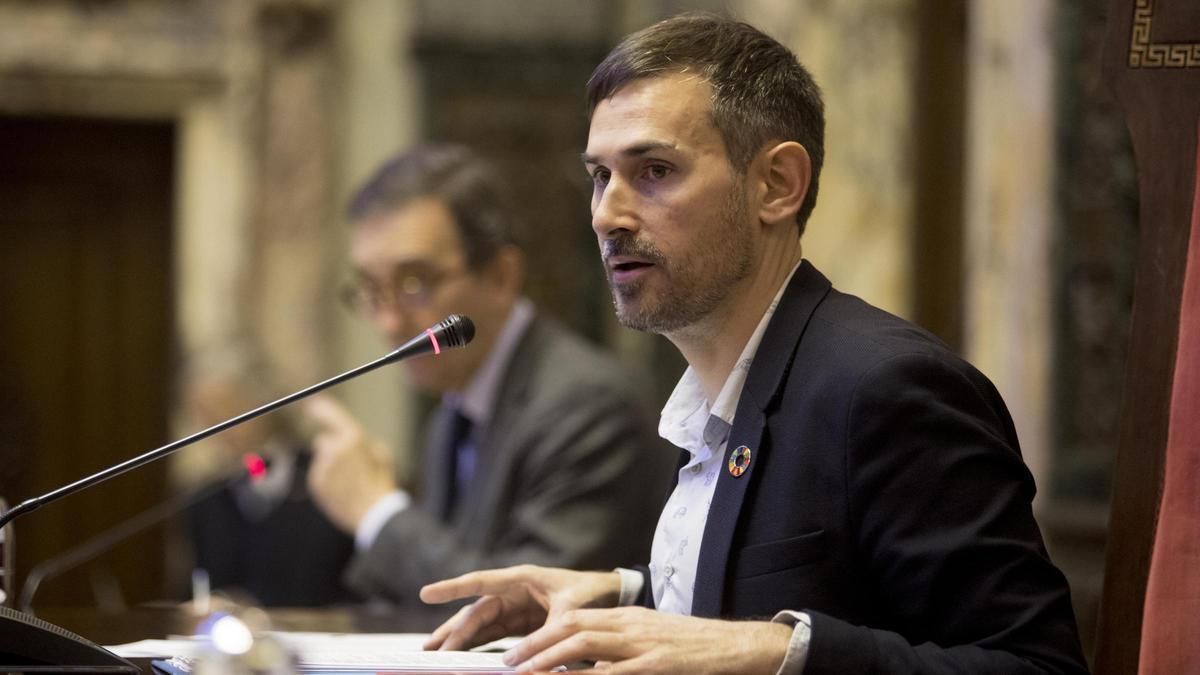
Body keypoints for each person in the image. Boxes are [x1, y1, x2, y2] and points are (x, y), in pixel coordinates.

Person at [418, 13, 1089, 674]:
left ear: (777, 185)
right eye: (600, 176)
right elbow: (786, 586)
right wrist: (623, 595)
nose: (607, 216)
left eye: (654, 170)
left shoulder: (888, 388)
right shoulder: (723, 385)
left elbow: (1036, 665)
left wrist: (775, 650)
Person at [305, 144, 674, 605]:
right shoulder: (451, 414)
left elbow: (525, 604)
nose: (390, 322)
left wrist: (375, 510)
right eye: (373, 290)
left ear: (500, 277)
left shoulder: (588, 405)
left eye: (415, 283)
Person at [183, 348, 357, 607]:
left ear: (263, 403)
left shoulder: (325, 478)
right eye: (207, 418)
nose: (217, 430)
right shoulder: (208, 498)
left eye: (228, 411)